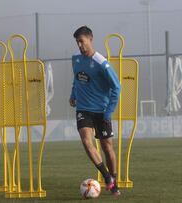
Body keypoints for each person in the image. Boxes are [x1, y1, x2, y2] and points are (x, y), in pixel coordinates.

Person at [70, 26, 121, 196]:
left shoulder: (101, 63)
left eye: (82, 41)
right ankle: (107, 177)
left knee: (107, 147)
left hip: (101, 111)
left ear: (90, 40)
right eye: (77, 42)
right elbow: (76, 79)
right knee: (86, 141)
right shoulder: (75, 59)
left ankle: (114, 179)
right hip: (83, 109)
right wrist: (73, 94)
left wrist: (108, 112)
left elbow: (117, 87)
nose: (79, 45)